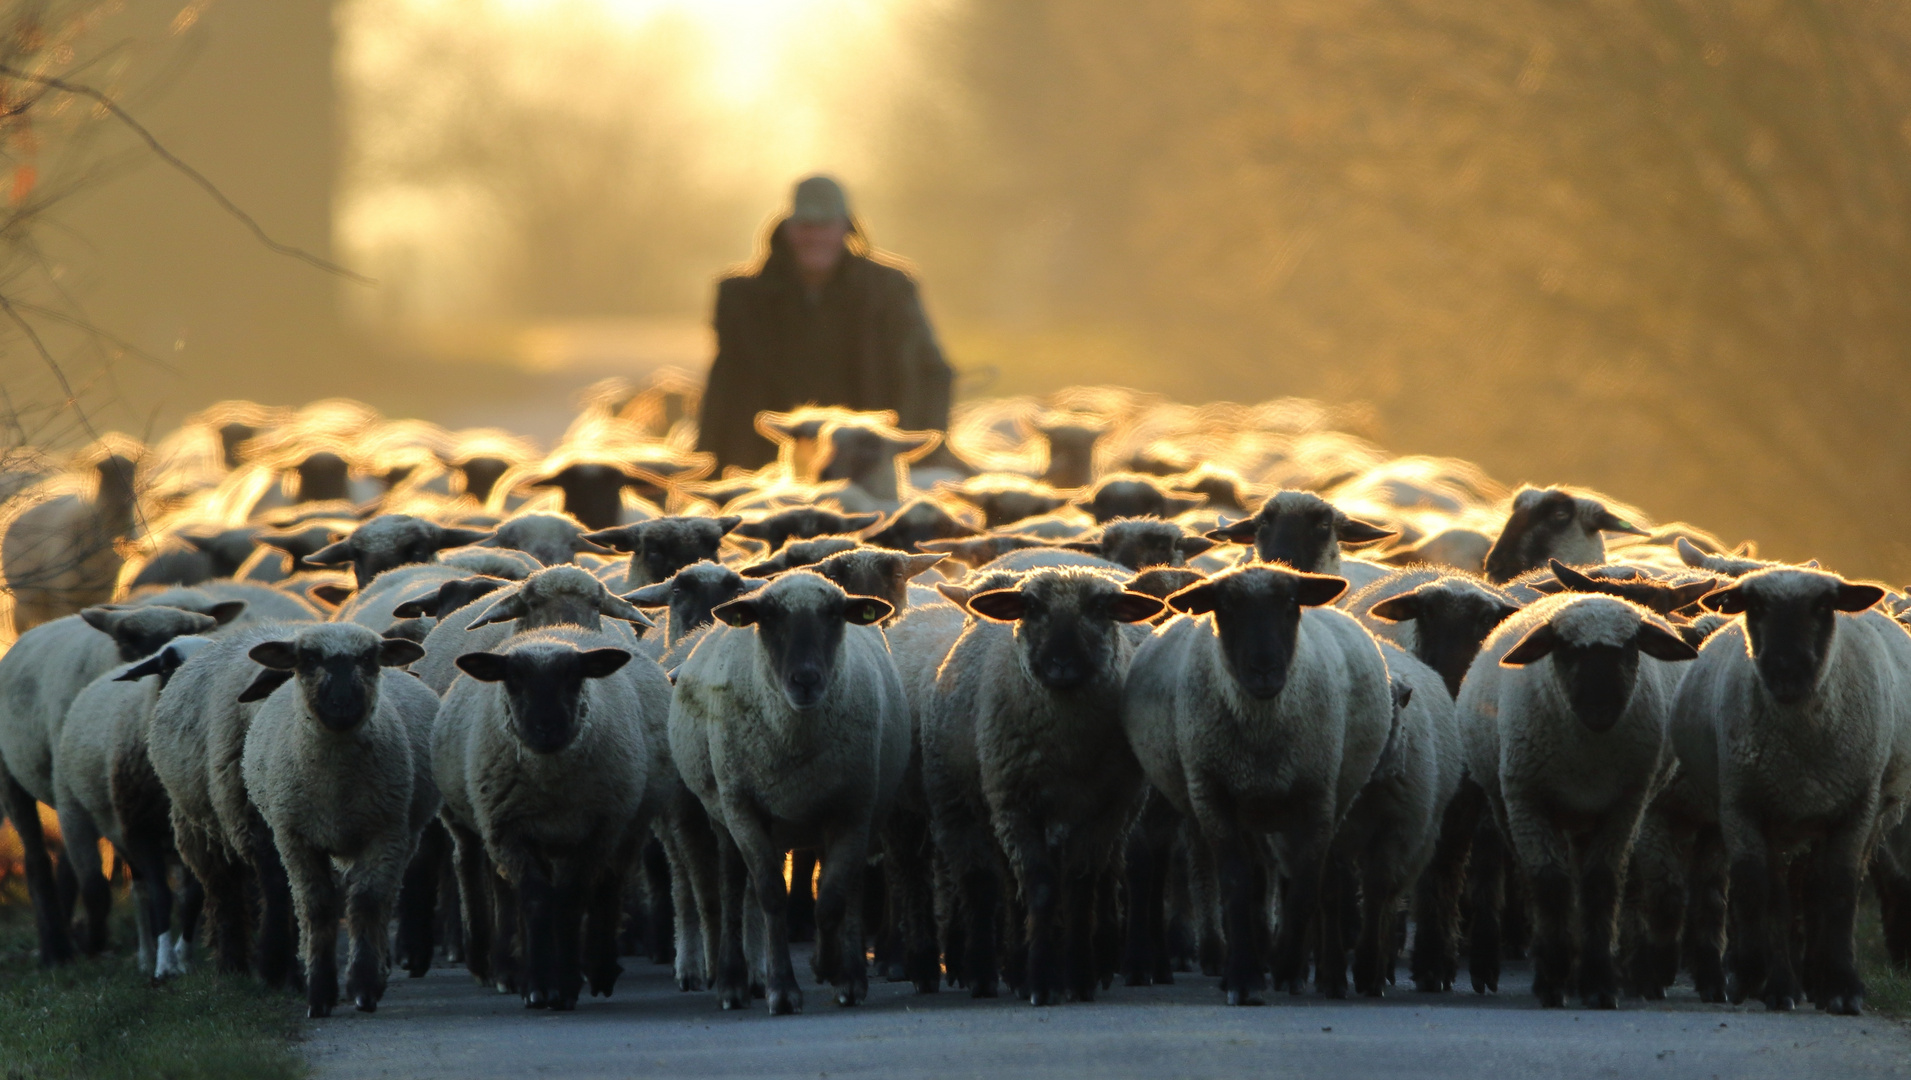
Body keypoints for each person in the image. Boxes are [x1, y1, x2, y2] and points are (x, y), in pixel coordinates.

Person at [696, 175, 954, 471]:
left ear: (846, 228)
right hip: (764, 465)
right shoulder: (743, 297)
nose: (815, 237)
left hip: (863, 465)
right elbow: (725, 383)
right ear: (788, 229)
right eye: (806, 226)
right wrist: (709, 463)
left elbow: (932, 372)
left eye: (825, 226)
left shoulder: (888, 290)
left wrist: (918, 455)